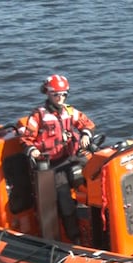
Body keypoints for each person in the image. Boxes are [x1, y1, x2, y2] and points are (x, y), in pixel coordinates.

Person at [20, 74, 96, 243]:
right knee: (64, 199)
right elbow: (26, 139)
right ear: (48, 94)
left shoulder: (69, 111)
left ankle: (95, 215)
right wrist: (32, 150)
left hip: (71, 157)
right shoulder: (38, 116)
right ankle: (73, 236)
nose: (60, 98)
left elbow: (88, 123)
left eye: (64, 94)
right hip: (53, 164)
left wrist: (85, 134)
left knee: (96, 174)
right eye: (56, 94)